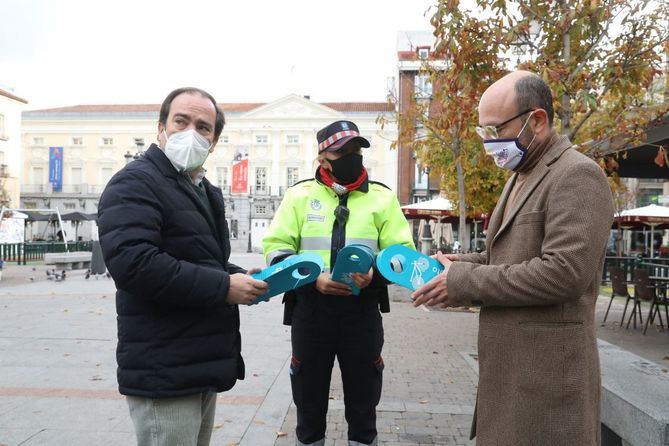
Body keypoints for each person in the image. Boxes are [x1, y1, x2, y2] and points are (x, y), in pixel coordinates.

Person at [412, 71, 614, 445]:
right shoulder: (521, 174)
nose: (490, 143)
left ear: (536, 120)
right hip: (511, 379)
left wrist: (462, 283)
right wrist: (457, 266)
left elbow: (565, 272)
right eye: (483, 133)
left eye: (495, 130)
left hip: (547, 387)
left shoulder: (578, 175)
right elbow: (504, 253)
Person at [98, 87, 268, 446]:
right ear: (160, 127)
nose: (191, 132)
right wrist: (223, 287)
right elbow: (135, 263)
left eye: (203, 127)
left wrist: (234, 274)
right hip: (163, 367)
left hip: (198, 360)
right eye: (181, 121)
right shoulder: (135, 182)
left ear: (214, 140)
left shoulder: (203, 189)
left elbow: (201, 257)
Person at [263, 120, 414, 446]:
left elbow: (403, 256)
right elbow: (276, 250)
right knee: (308, 402)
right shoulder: (299, 196)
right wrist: (311, 280)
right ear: (322, 157)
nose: (351, 156)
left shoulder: (382, 198)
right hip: (311, 312)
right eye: (342, 151)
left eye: (356, 150)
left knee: (364, 404)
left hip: (362, 314)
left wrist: (376, 274)